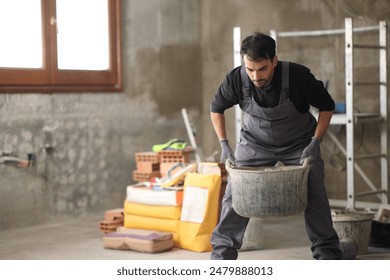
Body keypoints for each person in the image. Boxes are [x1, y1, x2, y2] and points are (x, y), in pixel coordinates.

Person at [209, 32, 353, 260]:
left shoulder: (298, 77)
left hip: (299, 143)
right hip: (255, 142)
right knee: (236, 193)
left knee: (315, 192)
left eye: (262, 69)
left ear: (274, 61)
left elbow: (327, 106)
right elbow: (216, 107)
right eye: (250, 69)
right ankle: (221, 255)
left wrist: (316, 142)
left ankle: (327, 254)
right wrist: (224, 144)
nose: (256, 76)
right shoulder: (237, 79)